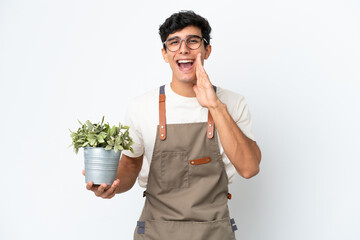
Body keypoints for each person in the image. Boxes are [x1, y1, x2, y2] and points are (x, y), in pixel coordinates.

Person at [84, 10, 261, 240]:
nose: (184, 49)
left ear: (207, 50)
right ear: (165, 54)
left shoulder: (233, 103)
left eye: (193, 41)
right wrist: (111, 185)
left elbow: (249, 168)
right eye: (174, 43)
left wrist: (215, 106)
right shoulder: (141, 107)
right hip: (156, 233)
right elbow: (130, 165)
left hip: (213, 232)